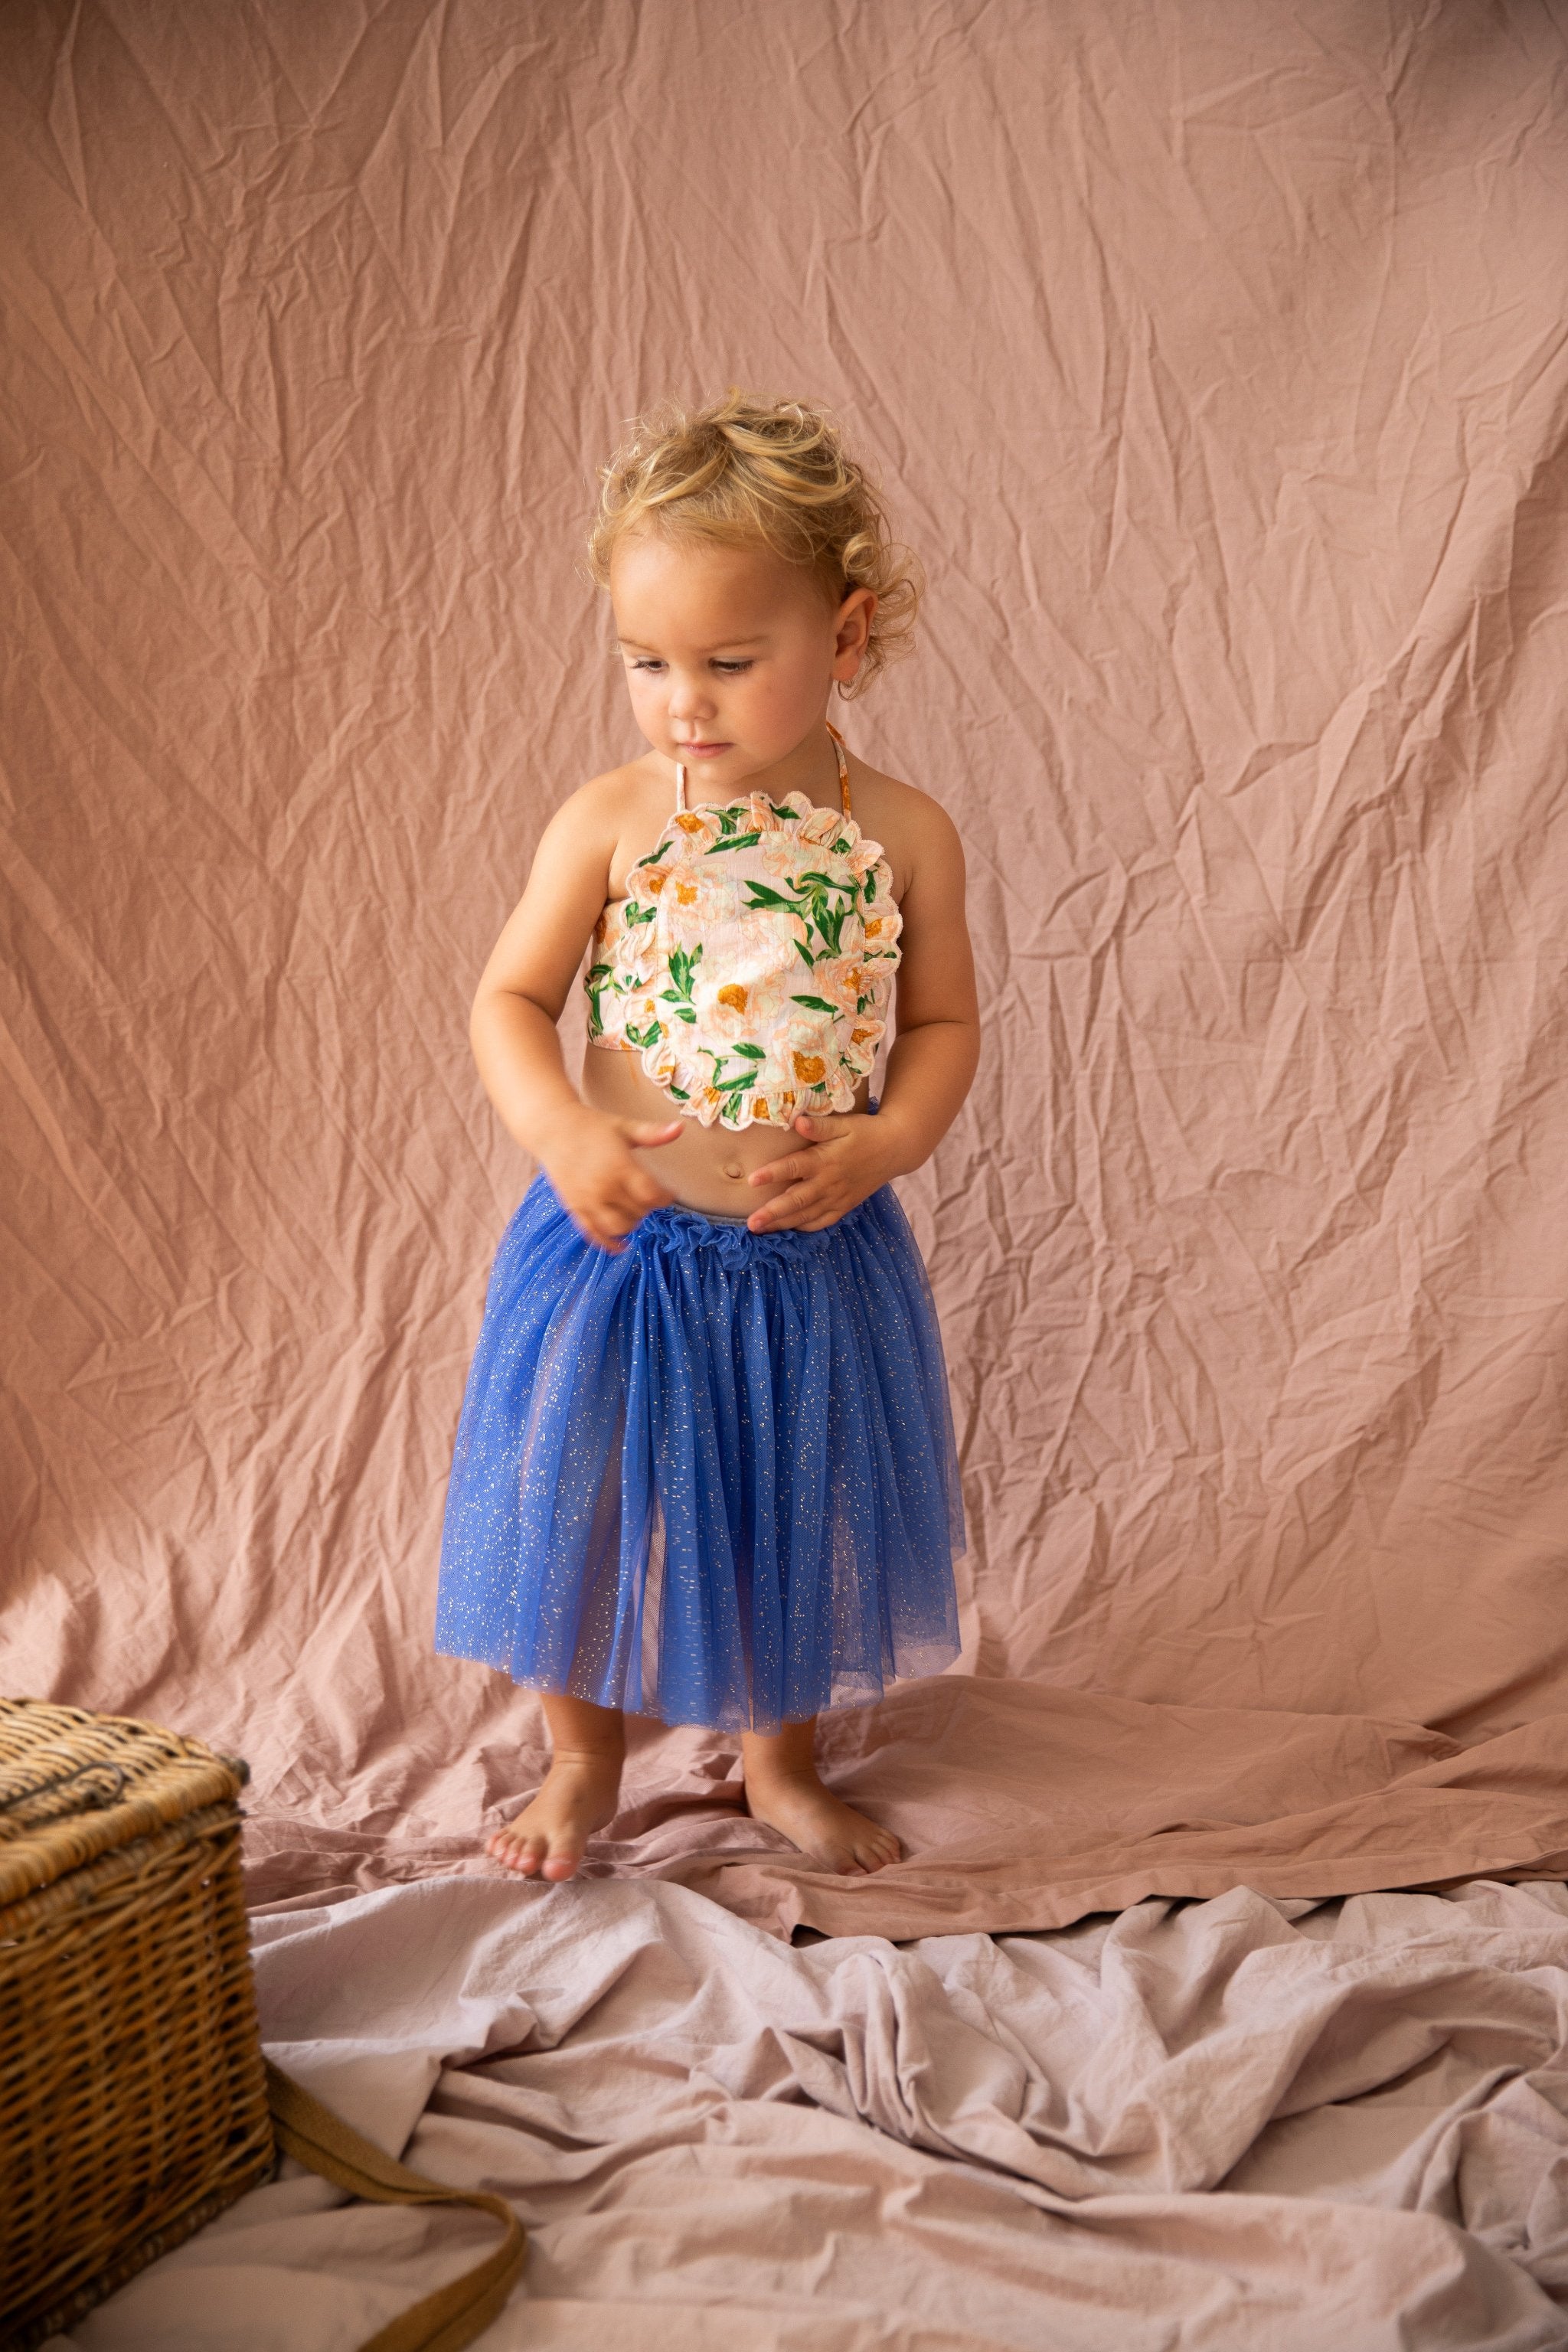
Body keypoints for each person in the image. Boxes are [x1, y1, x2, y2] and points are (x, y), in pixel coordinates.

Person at [436, 390, 978, 1881]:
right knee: (583, 1499)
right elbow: (508, 998)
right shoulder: (611, 819)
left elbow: (938, 1030)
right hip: (618, 1247)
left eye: (730, 663)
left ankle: (781, 1764)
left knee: (787, 1508)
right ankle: (575, 1761)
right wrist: (559, 1129)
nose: (685, 698)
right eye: (648, 661)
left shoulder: (904, 834)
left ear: (846, 639)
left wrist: (887, 1145)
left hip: (807, 1252)